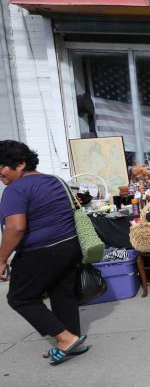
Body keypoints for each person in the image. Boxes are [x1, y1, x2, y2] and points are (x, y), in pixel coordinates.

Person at [0, 140, 88, 365]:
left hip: (39, 252)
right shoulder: (55, 181)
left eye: (2, 166)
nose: (0, 173)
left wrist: (1, 259)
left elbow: (16, 226)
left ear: (20, 164)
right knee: (62, 292)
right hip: (69, 246)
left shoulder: (15, 189)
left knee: (20, 298)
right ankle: (73, 341)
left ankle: (65, 338)